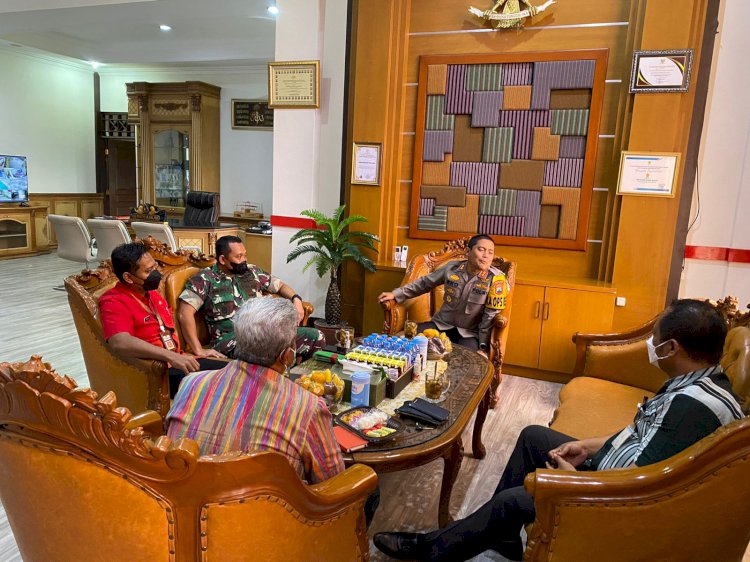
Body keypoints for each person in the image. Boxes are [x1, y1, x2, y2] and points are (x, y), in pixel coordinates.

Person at [373, 299, 744, 561]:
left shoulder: (691, 409)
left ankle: (434, 549)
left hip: (616, 501)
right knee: (535, 436)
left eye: (654, 339)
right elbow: (642, 435)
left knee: (513, 500)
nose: (650, 346)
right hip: (617, 471)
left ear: (671, 348)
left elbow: (643, 484)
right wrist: (590, 444)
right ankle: (504, 540)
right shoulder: (701, 383)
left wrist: (574, 480)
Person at [166, 297, 344, 483]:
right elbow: (333, 480)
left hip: (189, 503)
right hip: (261, 510)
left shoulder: (190, 383)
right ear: (286, 355)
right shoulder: (309, 407)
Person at [99, 242, 226, 397]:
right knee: (220, 385)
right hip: (157, 371)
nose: (156, 273)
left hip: (179, 362)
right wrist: (171, 356)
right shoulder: (113, 300)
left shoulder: (151, 292)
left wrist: (196, 351)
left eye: (155, 267)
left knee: (236, 373)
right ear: (128, 277)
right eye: (148, 271)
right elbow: (119, 341)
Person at [177, 235, 325, 361]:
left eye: (245, 255)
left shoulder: (253, 272)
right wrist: (198, 349)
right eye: (238, 256)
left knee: (315, 336)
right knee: (272, 346)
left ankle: (296, 382)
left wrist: (296, 299)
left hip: (265, 331)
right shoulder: (205, 279)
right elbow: (185, 313)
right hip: (232, 339)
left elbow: (280, 286)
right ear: (222, 259)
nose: (244, 260)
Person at [377, 234, 509, 352]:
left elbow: (489, 318)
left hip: (469, 334)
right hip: (441, 325)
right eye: (481, 250)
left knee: (466, 359)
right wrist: (396, 294)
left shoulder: (496, 280)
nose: (486, 255)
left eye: (490, 252)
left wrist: (483, 347)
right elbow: (424, 283)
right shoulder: (452, 268)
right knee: (405, 340)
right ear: (468, 251)